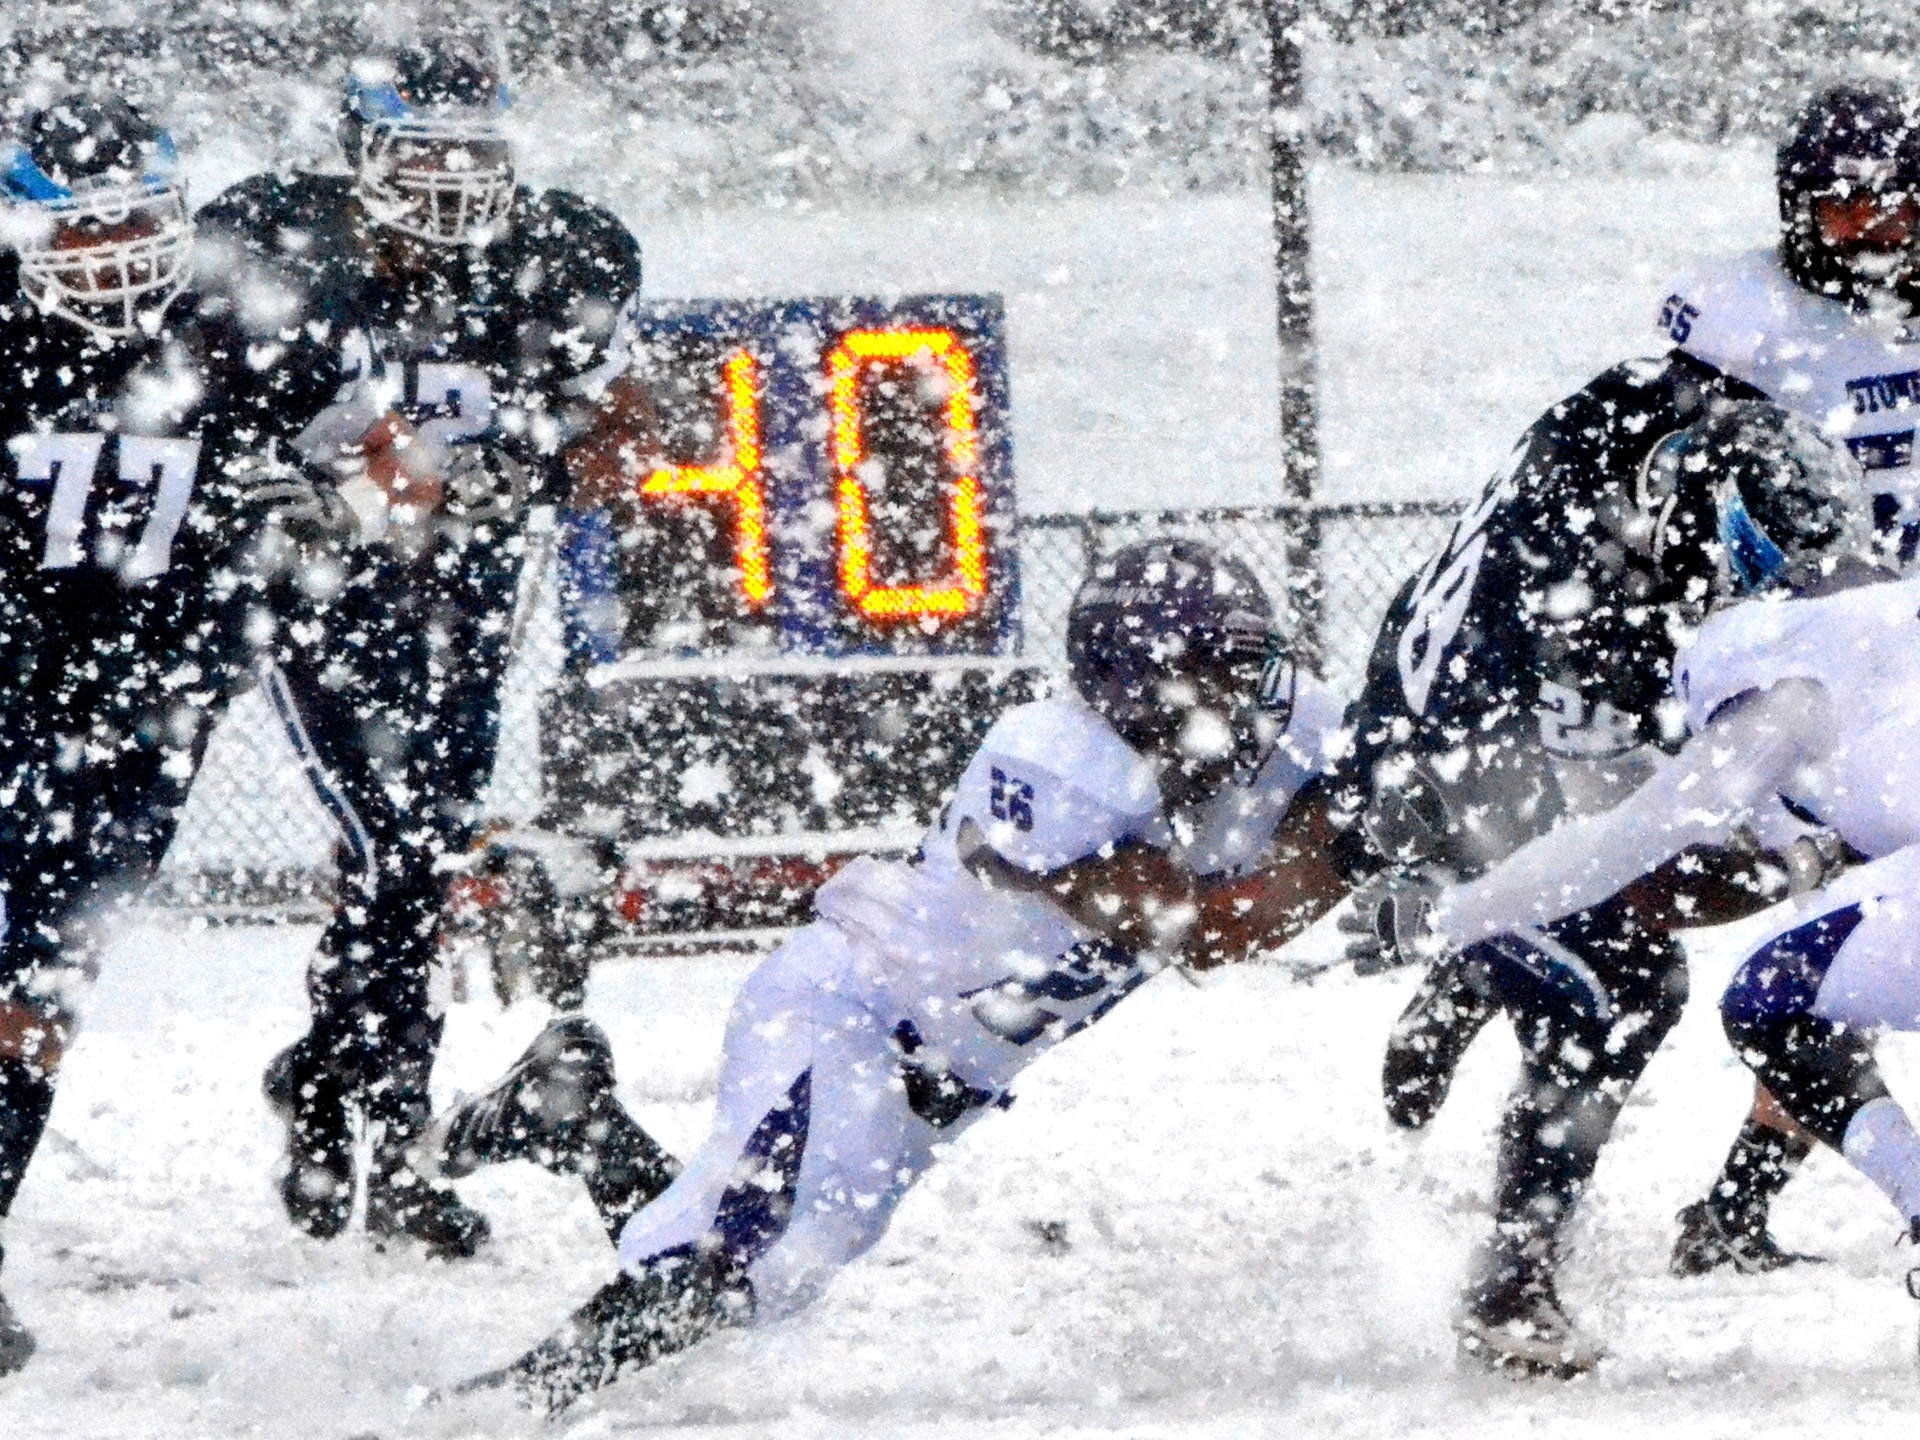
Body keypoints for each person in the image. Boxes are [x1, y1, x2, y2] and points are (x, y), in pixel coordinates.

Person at [436, 537, 1355, 1412]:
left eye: (1249, 665)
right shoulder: (1062, 764)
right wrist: (1356, 845)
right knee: (745, 1255)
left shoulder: (1283, 729)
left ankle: (573, 1115)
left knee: (758, 1269)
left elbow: (1328, 805)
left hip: (943, 1076)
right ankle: (496, 1410)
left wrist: (1368, 817)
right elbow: (1200, 929)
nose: (1247, 695)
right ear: (1135, 689)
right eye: (1217, 672)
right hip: (856, 1012)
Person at [1360, 85, 1920, 1296]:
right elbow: (1664, 493)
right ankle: (1498, 980)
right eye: (1842, 207)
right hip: (1777, 652)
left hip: (1893, 651)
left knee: (1846, 924)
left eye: (1892, 207)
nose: (1868, 231)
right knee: (1666, 915)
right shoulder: (1739, 327)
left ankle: (1727, 1205)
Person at [194, 36, 656, 1257]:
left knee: (421, 854)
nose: (453, 177)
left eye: (473, 151)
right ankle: (392, 1139)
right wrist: (325, 488)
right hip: (332, 596)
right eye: (425, 151)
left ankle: (320, 1079)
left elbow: (620, 429)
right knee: (392, 841)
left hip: (471, 598)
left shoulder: (562, 257)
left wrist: (536, 459)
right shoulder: (292, 250)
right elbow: (223, 413)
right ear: (362, 154)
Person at [1400, 406, 1920, 1358]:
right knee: (1804, 966)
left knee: (1767, 1001)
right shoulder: (1887, 612)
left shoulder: (1777, 656)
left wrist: (1463, 913)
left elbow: (1629, 843)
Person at [0, 94, 354, 1375]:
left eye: (134, 225)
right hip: (18, 695)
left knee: (44, 992)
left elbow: (379, 463)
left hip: (149, 711)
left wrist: (324, 497)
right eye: (78, 236)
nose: (111, 259)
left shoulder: (250, 338)